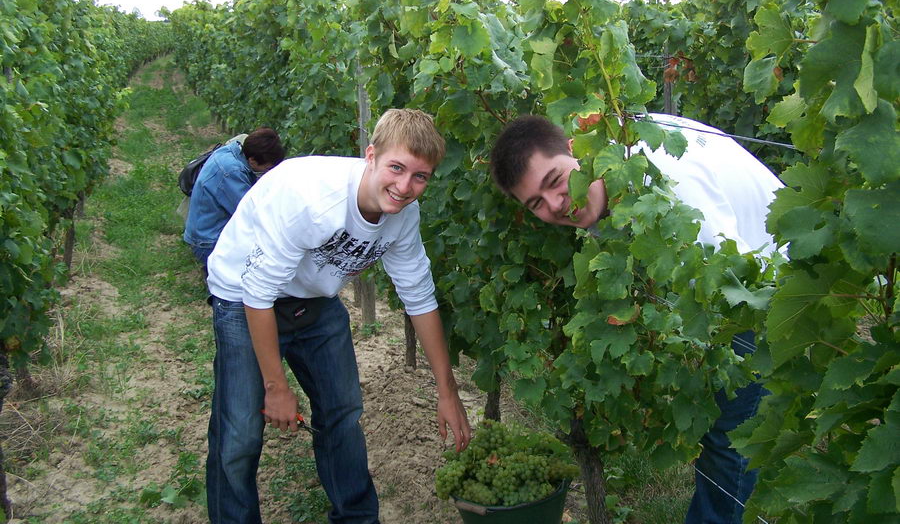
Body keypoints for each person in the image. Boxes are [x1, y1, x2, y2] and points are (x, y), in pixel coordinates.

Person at [489, 112, 784, 524]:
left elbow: (728, 281)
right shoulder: (608, 163)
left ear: (577, 148)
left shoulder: (668, 185)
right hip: (732, 273)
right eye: (536, 203)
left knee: (731, 440)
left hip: (763, 284)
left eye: (554, 181)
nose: (556, 204)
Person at [204, 108, 471, 524]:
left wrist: (447, 391)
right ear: (371, 155)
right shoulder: (311, 199)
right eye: (396, 168)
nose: (404, 187)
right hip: (244, 295)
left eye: (420, 177)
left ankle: (357, 518)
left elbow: (419, 297)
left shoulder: (402, 218)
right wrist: (275, 387)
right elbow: (257, 293)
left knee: (343, 412)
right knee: (240, 432)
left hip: (314, 299)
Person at [183, 128, 285, 269]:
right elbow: (250, 213)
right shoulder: (232, 172)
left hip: (208, 230)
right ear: (252, 160)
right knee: (260, 266)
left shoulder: (233, 150)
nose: (268, 173)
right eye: (267, 169)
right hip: (208, 242)